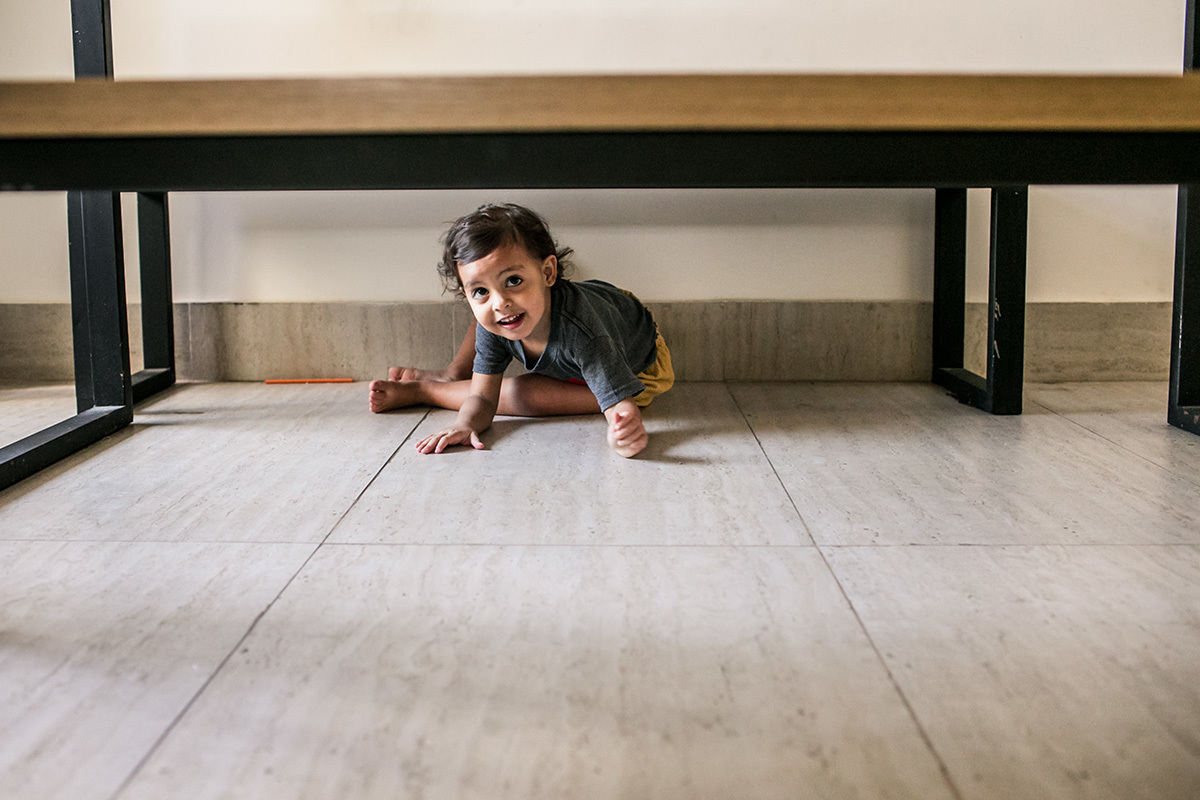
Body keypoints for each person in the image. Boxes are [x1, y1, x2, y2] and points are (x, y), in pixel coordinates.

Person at [369, 203, 674, 458]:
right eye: (479, 291)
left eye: (513, 281)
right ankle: (452, 374)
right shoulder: (499, 315)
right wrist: (465, 424)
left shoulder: (585, 333)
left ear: (548, 272)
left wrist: (623, 431)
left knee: (523, 394)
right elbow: (483, 399)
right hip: (577, 344)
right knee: (487, 318)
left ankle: (425, 390)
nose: (500, 301)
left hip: (638, 366)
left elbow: (619, 403)